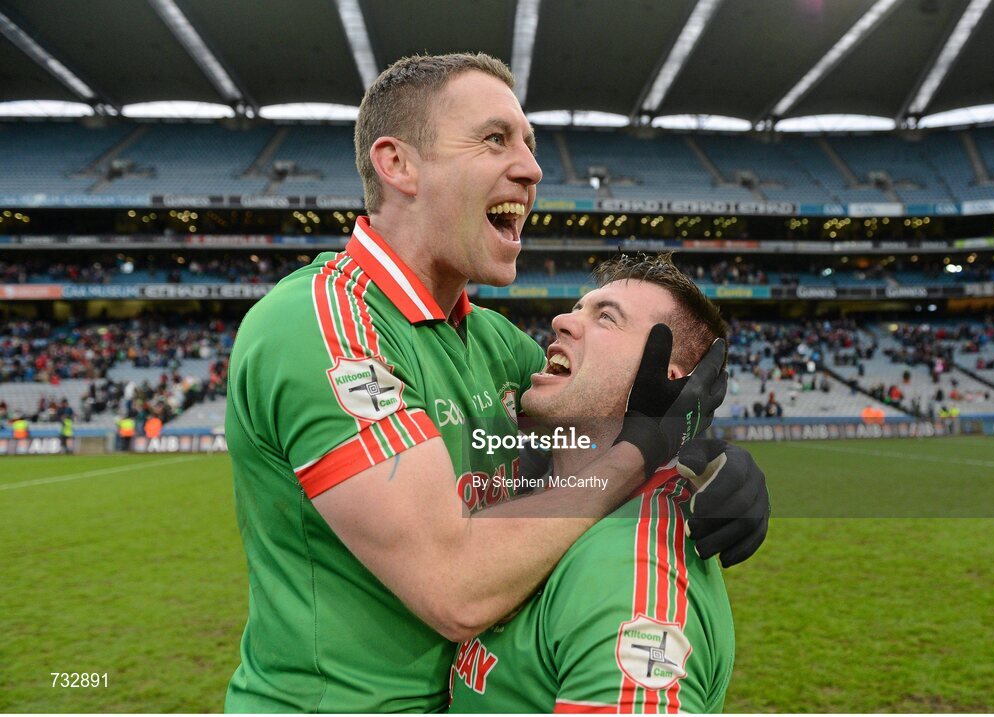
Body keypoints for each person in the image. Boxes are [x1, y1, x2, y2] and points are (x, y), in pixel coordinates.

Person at [225, 53, 768, 713]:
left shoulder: (494, 344)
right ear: (398, 165)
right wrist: (639, 453)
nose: (532, 168)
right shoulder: (319, 325)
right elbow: (454, 587)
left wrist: (707, 461)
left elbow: (602, 414)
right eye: (494, 139)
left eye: (529, 145)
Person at [449, 255, 754, 713]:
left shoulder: (633, 579)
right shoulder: (530, 484)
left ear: (667, 380)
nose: (561, 320)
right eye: (578, 307)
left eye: (606, 318)